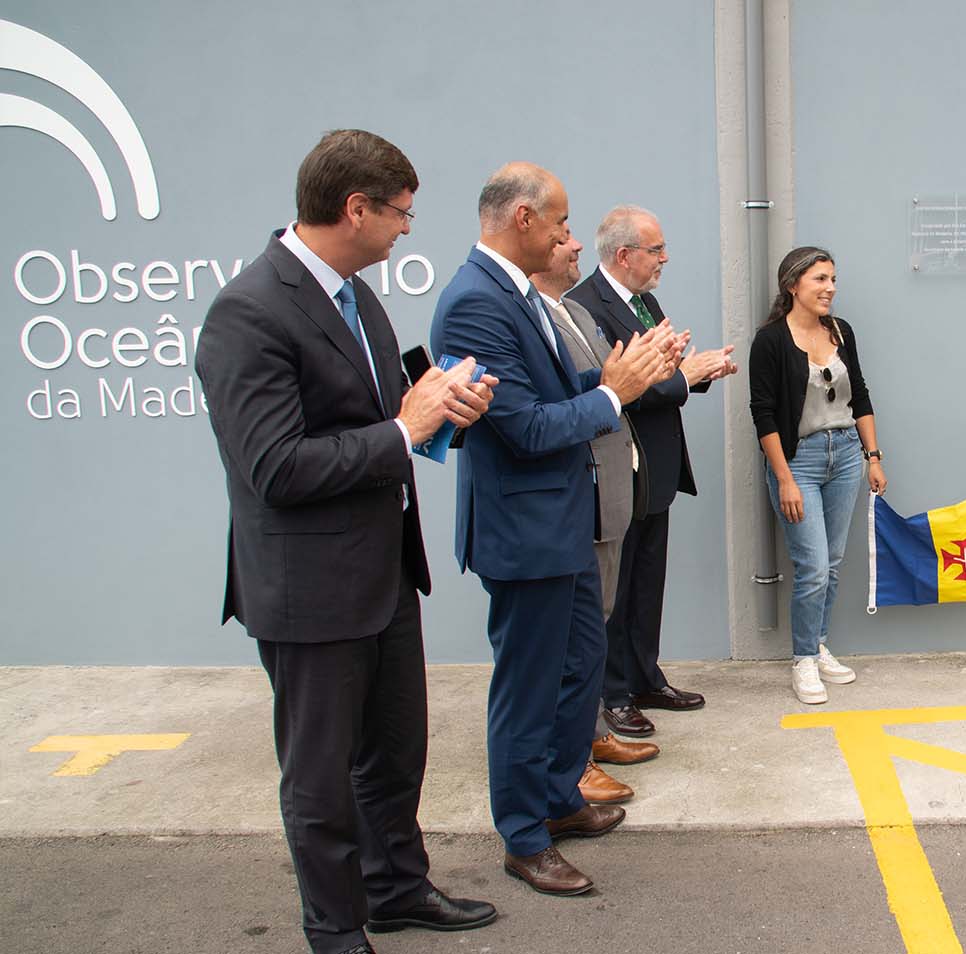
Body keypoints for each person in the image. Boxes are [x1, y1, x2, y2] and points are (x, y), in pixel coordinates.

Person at [195, 129, 497, 954]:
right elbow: (274, 467)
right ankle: (334, 927)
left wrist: (441, 407)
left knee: (397, 755)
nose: (407, 228)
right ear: (354, 207)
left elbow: (385, 414)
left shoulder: (357, 295)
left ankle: (396, 888)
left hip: (383, 571)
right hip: (308, 590)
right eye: (400, 213)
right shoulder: (248, 311)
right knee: (322, 780)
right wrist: (405, 429)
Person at [431, 162, 675, 896]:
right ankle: (523, 836)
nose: (573, 235)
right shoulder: (475, 303)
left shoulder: (521, 297)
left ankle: (559, 800)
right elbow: (527, 430)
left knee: (577, 670)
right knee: (528, 689)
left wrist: (615, 375)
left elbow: (557, 391)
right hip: (524, 534)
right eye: (564, 222)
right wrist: (614, 391)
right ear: (525, 221)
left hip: (562, 523)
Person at [567, 205, 737, 739]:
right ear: (624, 255)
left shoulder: (644, 301)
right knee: (615, 591)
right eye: (656, 250)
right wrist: (687, 377)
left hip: (656, 469)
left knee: (647, 584)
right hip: (623, 472)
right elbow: (621, 390)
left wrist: (696, 373)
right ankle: (614, 694)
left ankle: (644, 677)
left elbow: (660, 375)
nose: (665, 258)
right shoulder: (583, 307)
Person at [530, 237, 659, 808]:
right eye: (561, 235)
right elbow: (566, 405)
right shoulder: (533, 316)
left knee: (595, 622)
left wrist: (639, 371)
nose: (574, 243)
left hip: (610, 485)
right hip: (579, 493)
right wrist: (618, 385)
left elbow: (603, 384)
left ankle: (589, 736)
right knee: (571, 642)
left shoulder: (573, 311)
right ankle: (571, 762)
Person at [749, 246, 886, 704]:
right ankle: (803, 659)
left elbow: (860, 395)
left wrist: (873, 455)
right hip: (800, 461)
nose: (830, 288)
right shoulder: (769, 341)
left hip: (846, 454)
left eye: (832, 279)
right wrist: (784, 478)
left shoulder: (841, 332)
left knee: (832, 562)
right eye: (820, 280)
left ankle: (819, 643)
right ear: (793, 285)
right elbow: (763, 415)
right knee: (811, 567)